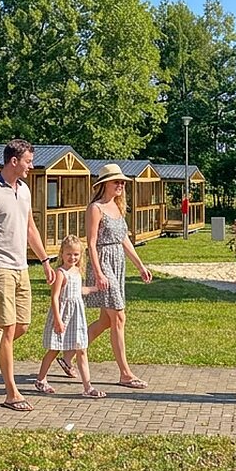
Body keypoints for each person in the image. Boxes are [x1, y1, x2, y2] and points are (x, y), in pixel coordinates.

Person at [0, 139, 55, 411]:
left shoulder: (25, 190)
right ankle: (11, 393)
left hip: (21, 267)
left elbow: (30, 228)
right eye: (28, 161)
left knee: (22, 326)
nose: (31, 165)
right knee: (7, 329)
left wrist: (44, 260)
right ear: (14, 161)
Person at [61, 163, 153, 388]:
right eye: (116, 181)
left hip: (118, 263)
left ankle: (66, 356)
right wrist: (99, 273)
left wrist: (140, 266)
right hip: (102, 263)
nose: (120, 185)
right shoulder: (95, 208)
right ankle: (125, 374)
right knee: (119, 317)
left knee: (105, 320)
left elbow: (124, 239)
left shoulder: (118, 207)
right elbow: (90, 244)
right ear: (104, 184)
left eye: (122, 181)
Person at [31, 235, 106, 399]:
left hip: (77, 316)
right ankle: (41, 379)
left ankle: (87, 386)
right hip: (63, 315)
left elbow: (80, 290)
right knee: (54, 348)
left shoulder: (77, 271)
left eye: (76, 254)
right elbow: (55, 297)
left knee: (81, 349)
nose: (72, 257)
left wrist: (95, 288)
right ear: (62, 254)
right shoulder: (61, 273)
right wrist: (58, 319)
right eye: (69, 254)